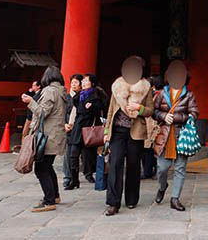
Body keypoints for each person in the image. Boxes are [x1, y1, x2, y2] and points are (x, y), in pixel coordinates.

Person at [103, 56, 154, 216]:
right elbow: (111, 110)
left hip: (136, 131)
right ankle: (113, 202)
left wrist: (139, 108)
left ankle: (131, 199)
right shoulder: (117, 86)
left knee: (133, 166)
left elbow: (150, 110)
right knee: (115, 165)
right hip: (117, 132)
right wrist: (106, 132)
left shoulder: (146, 87)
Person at [153, 60, 199, 212]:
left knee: (180, 168)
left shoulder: (189, 95)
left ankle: (175, 198)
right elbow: (154, 111)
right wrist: (164, 116)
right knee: (162, 168)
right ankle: (162, 186)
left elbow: (194, 113)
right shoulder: (161, 94)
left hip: (181, 135)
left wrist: (179, 118)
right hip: (165, 135)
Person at [21, 66, 67, 212]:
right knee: (48, 166)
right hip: (56, 135)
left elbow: (42, 112)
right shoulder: (61, 91)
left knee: (41, 169)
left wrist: (30, 101)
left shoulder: (49, 91)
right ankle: (54, 196)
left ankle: (49, 201)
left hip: (47, 136)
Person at [65, 74, 106, 189]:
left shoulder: (96, 95)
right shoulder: (79, 95)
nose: (83, 83)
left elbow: (102, 108)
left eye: (86, 81)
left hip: (89, 128)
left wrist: (92, 107)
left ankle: (89, 174)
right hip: (78, 128)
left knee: (88, 155)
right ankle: (74, 180)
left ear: (92, 83)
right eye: (82, 81)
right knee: (73, 155)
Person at [62, 74, 82, 189]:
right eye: (72, 82)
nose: (74, 85)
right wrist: (65, 124)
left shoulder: (83, 96)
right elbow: (63, 112)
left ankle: (84, 175)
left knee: (78, 154)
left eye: (76, 82)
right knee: (68, 154)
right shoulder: (67, 97)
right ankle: (67, 177)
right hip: (68, 128)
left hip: (78, 127)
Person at [142, 75, 162, 180]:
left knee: (148, 148)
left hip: (152, 123)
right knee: (148, 148)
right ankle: (150, 169)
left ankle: (148, 171)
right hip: (151, 122)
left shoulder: (156, 95)